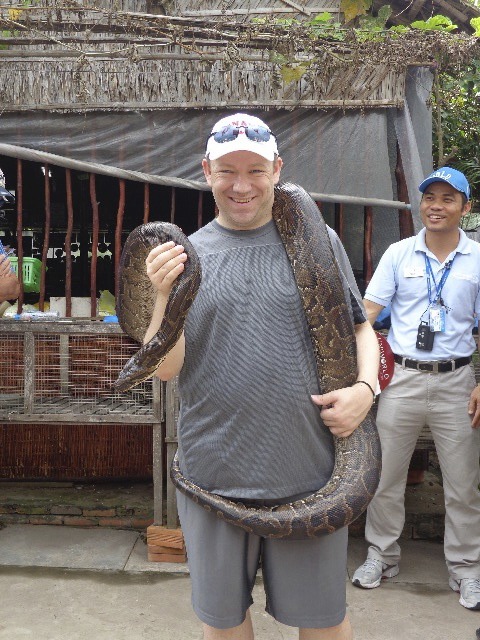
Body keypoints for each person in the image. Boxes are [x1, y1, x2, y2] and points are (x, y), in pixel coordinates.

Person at [144, 112, 379, 640]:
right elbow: (165, 370)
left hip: (312, 478)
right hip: (214, 478)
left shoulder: (321, 245)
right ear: (207, 171)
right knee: (225, 625)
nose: (242, 185)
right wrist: (163, 295)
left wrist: (366, 391)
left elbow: (361, 330)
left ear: (277, 169)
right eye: (228, 170)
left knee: (324, 624)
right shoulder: (186, 257)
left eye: (255, 169)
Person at [352, 167, 480, 611]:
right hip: (401, 380)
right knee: (385, 477)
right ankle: (381, 556)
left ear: (465, 207)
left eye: (448, 199)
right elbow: (369, 311)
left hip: (457, 382)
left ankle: (465, 569)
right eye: (430, 198)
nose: (436, 206)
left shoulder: (478, 260)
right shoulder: (399, 254)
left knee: (463, 484)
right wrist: (351, 365)